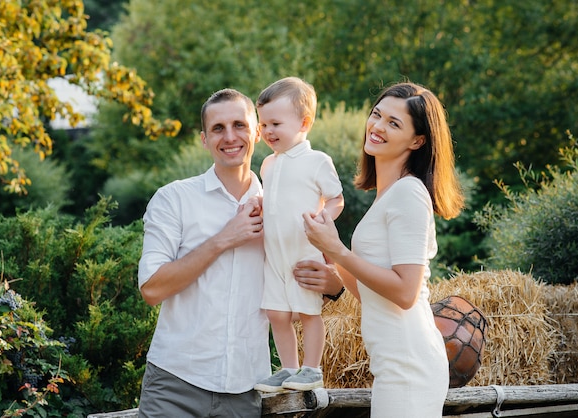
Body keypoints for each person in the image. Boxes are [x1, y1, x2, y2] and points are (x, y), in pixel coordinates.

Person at [136, 87, 346, 417]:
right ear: (204, 139)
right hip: (175, 383)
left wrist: (333, 285)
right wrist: (223, 239)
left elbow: (316, 286)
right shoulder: (173, 199)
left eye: (240, 125)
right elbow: (151, 288)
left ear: (257, 133)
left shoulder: (281, 206)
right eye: (218, 128)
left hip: (246, 389)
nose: (230, 136)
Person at [296, 82, 465, 417]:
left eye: (394, 123)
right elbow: (375, 295)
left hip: (410, 363)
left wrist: (339, 251)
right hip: (394, 361)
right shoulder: (388, 195)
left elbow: (404, 292)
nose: (377, 126)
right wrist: (335, 266)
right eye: (377, 115)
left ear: (417, 141)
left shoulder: (409, 194)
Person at [253, 77, 345, 393]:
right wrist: (260, 205)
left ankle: (312, 369)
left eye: (276, 123)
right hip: (274, 252)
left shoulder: (316, 161)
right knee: (277, 313)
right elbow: (277, 200)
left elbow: (337, 198)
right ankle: (288, 367)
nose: (267, 131)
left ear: (304, 122)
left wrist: (323, 219)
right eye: (263, 124)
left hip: (303, 250)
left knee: (307, 310)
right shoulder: (267, 164)